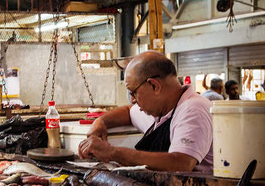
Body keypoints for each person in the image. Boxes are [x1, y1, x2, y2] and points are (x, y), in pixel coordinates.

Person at [78, 50, 213, 172]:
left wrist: (112, 152)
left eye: (133, 93)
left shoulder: (193, 109)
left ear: (154, 86)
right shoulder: (161, 110)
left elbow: (181, 163)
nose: (133, 100)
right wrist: (100, 121)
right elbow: (128, 111)